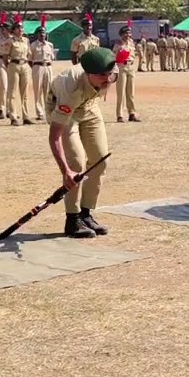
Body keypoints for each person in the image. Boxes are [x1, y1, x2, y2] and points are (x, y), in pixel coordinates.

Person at [46, 47, 117, 238]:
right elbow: (54, 137)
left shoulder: (110, 71)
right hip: (67, 111)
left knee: (100, 160)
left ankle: (86, 214)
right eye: (103, 75)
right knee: (76, 163)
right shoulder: (71, 88)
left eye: (110, 74)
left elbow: (107, 77)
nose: (108, 79)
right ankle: (72, 219)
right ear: (88, 74)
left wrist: (106, 77)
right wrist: (66, 171)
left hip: (89, 106)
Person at [3, 19, 32, 126]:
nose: (20, 30)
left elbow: (29, 53)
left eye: (21, 28)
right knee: (12, 92)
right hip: (14, 65)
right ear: (13, 30)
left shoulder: (26, 41)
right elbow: (5, 56)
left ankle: (26, 116)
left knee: (25, 93)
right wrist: (9, 66)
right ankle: (13, 116)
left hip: (24, 65)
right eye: (18, 28)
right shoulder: (10, 41)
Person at [112, 26, 140, 122]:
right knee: (121, 93)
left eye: (129, 33)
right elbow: (113, 57)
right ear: (121, 34)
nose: (128, 35)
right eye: (125, 33)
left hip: (131, 67)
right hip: (121, 67)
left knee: (131, 92)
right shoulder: (118, 44)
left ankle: (132, 113)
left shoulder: (131, 43)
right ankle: (120, 115)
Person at [28, 24, 54, 122]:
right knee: (37, 90)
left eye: (43, 33)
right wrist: (35, 68)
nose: (42, 35)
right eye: (40, 33)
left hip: (48, 67)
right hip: (37, 67)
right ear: (37, 35)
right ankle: (40, 113)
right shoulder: (33, 45)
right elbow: (30, 60)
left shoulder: (50, 45)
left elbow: (52, 58)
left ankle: (49, 112)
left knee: (48, 91)